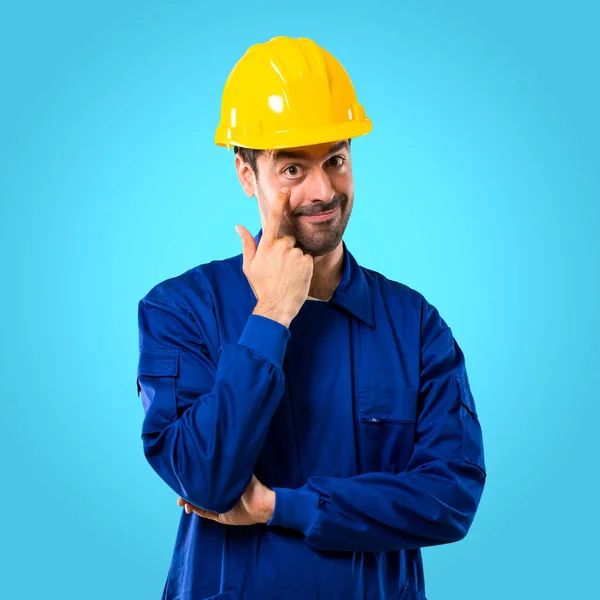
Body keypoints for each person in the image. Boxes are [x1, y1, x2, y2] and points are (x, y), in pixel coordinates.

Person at [136, 35, 486, 600]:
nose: (323, 190)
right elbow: (204, 478)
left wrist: (280, 506)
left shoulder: (414, 325)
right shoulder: (180, 311)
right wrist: (272, 314)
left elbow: (451, 498)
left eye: (336, 161)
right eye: (292, 168)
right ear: (247, 175)